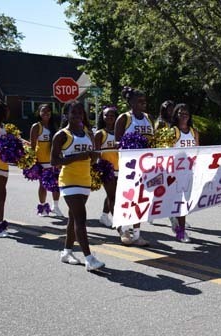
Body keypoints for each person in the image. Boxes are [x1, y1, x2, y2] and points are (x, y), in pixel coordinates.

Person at [51, 101, 105, 271]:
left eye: (80, 113)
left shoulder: (88, 134)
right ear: (66, 114)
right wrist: (79, 156)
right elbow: (55, 161)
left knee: (73, 218)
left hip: (85, 180)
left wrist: (95, 155)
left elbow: (92, 159)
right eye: (73, 112)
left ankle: (66, 252)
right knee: (81, 219)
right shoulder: (61, 135)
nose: (77, 116)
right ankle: (89, 259)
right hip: (68, 180)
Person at [114, 86, 153, 246]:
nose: (143, 104)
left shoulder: (148, 117)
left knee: (141, 199)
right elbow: (116, 142)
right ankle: (124, 229)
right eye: (139, 101)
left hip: (146, 165)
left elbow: (154, 139)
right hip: (129, 166)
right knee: (127, 198)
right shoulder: (124, 118)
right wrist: (133, 143)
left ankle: (137, 234)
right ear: (130, 102)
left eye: (144, 101)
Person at [170, 103, 199, 243]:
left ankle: (175, 220)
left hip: (189, 173)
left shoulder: (194, 132)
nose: (184, 116)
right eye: (181, 114)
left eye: (186, 114)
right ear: (176, 115)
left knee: (185, 202)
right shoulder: (173, 132)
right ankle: (181, 232)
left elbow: (197, 152)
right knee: (180, 203)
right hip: (174, 174)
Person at [30, 104, 64, 217]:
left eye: (48, 111)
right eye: (43, 112)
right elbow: (32, 145)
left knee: (56, 184)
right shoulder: (36, 126)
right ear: (39, 113)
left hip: (53, 160)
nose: (46, 114)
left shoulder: (53, 126)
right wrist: (33, 161)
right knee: (42, 185)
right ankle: (43, 207)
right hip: (41, 161)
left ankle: (56, 206)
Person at [94, 106, 118, 228]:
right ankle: (118, 223)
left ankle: (104, 216)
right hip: (107, 169)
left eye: (112, 115)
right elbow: (96, 153)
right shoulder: (100, 133)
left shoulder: (120, 132)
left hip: (120, 168)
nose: (109, 117)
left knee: (113, 194)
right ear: (102, 117)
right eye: (106, 115)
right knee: (113, 196)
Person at [0, 100, 10, 238]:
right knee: (1, 194)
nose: (8, 112)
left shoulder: (3, 126)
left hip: (3, 164)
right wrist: (2, 145)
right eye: (6, 110)